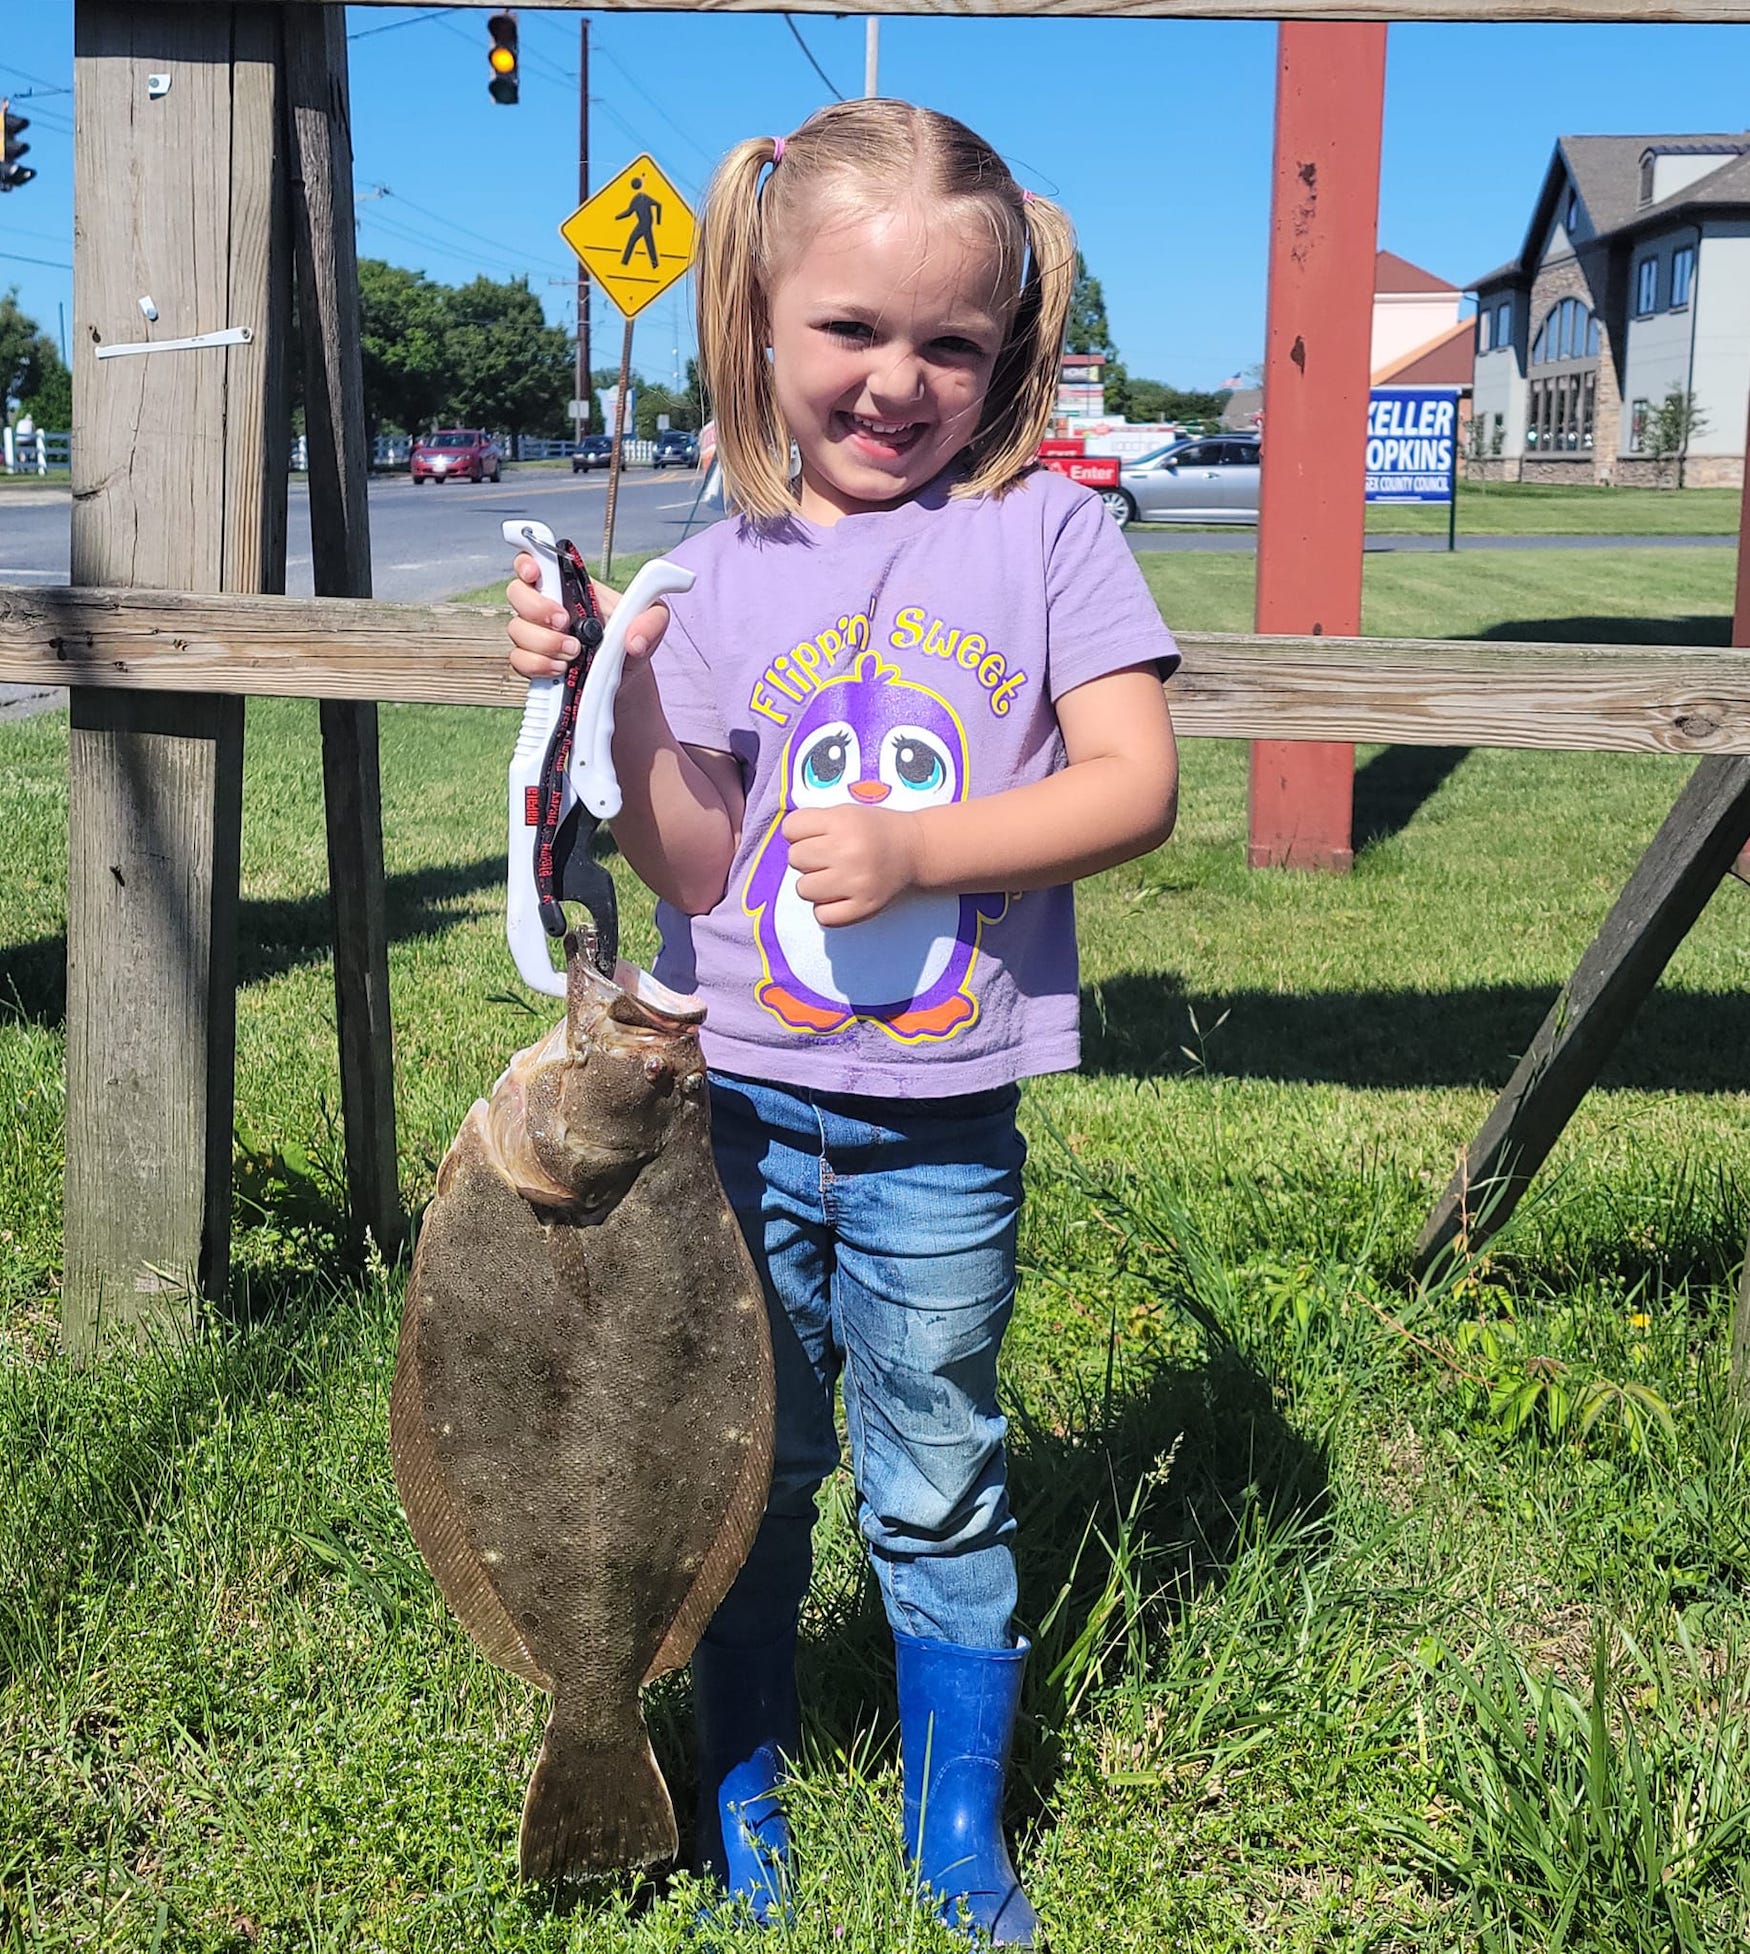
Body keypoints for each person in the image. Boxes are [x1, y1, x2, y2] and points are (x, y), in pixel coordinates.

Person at [506, 99, 1179, 1945]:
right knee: (746, 1461)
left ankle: (957, 1823)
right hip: (727, 1122)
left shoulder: (1047, 539)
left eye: (950, 344)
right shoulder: (709, 578)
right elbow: (699, 862)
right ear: (757, 327)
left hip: (939, 1120)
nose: (899, 382)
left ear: (1007, 352)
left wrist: (926, 845)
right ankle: (740, 1794)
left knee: (937, 1462)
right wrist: (615, 698)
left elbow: (1134, 784)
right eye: (853, 334)